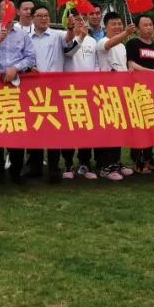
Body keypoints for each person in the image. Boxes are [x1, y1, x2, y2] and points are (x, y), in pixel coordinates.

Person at [0, 0, 36, 184]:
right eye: (5, 9)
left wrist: (16, 68)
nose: (9, 12)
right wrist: (0, 39)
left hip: (16, 86)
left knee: (16, 127)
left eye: (12, 9)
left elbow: (30, 57)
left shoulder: (23, 35)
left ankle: (16, 170)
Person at [94, 11, 136, 180]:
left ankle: (116, 162)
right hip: (106, 94)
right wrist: (126, 33)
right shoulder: (102, 42)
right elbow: (109, 44)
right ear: (105, 27)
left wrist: (128, 71)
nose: (118, 27)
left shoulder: (122, 47)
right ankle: (105, 166)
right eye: (114, 24)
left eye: (120, 24)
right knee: (107, 131)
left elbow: (121, 66)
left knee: (118, 130)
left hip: (121, 93)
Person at [29, 5, 67, 181]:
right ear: (33, 18)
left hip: (54, 89)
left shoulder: (57, 35)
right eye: (40, 15)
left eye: (46, 15)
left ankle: (53, 168)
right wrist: (28, 67)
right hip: (33, 90)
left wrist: (72, 29)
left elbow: (69, 39)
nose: (43, 18)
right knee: (35, 128)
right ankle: (35, 167)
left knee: (54, 129)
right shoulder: (26, 38)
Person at [61, 11, 100, 180]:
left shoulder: (93, 41)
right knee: (68, 129)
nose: (80, 22)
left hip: (88, 91)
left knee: (87, 129)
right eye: (76, 19)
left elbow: (96, 64)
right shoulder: (66, 38)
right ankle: (68, 163)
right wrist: (80, 37)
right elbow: (68, 53)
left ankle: (84, 162)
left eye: (82, 19)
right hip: (69, 91)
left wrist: (94, 82)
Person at [126, 13, 154, 174]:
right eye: (145, 25)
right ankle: (137, 159)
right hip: (137, 90)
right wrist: (149, 71)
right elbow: (131, 64)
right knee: (138, 126)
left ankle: (149, 157)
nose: (149, 28)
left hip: (153, 91)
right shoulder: (132, 44)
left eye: (150, 25)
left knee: (152, 126)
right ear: (137, 28)